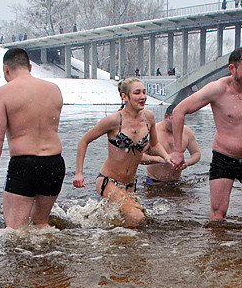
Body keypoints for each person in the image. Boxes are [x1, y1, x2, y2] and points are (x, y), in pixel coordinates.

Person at [170, 47, 242, 223]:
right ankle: (221, 249)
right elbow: (179, 110)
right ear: (232, 68)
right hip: (223, 159)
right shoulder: (217, 90)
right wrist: (178, 151)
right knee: (218, 217)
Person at [0, 48, 65, 229]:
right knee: (41, 224)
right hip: (54, 164)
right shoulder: (54, 90)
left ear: (6, 69)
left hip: (25, 164)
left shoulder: (2, 93)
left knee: (14, 232)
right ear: (29, 67)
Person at [73, 78, 171, 227]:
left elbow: (154, 144)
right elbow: (83, 141)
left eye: (144, 92)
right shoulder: (113, 121)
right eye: (137, 93)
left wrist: (166, 157)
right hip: (108, 181)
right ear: (125, 96)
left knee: (125, 225)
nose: (143, 96)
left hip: (130, 184)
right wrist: (79, 173)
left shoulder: (148, 117)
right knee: (137, 217)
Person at [142, 105, 202, 183]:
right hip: (153, 181)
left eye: (181, 121)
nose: (178, 124)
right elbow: (139, 157)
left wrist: (187, 162)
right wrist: (161, 159)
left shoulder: (186, 132)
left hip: (177, 181)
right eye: (175, 120)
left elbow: (196, 153)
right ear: (166, 117)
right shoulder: (153, 131)